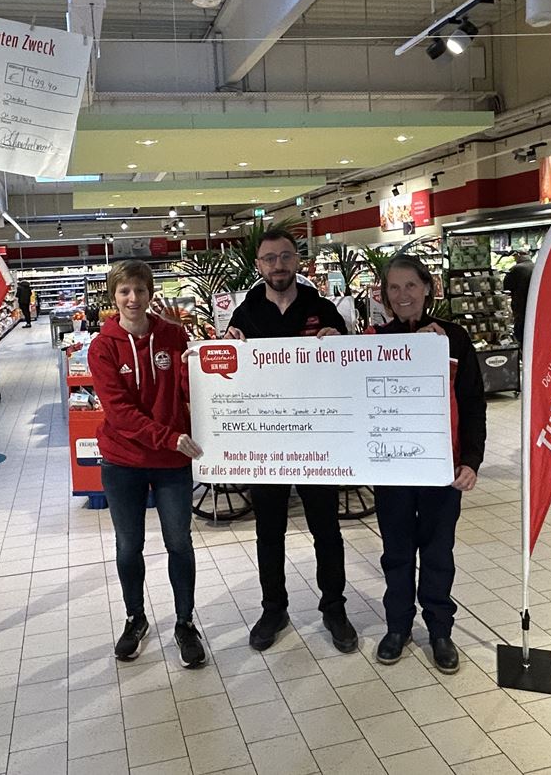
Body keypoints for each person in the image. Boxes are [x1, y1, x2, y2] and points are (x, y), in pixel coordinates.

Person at [224, 227, 358, 654]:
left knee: (326, 529)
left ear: (297, 261)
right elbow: (229, 373)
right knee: (269, 531)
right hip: (268, 446)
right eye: (269, 259)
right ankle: (273, 608)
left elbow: (349, 368)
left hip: (318, 443)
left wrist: (340, 344)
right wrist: (229, 347)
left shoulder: (324, 309)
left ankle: (334, 607)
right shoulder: (244, 313)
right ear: (258, 265)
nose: (278, 266)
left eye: (285, 257)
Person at [368, 255, 486, 673]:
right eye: (394, 288)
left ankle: (440, 630)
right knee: (396, 553)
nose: (403, 295)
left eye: (410, 286)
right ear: (384, 295)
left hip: (442, 470)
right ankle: (397, 627)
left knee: (438, 552)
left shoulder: (453, 338)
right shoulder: (374, 342)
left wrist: (471, 460)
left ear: (427, 288)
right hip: (393, 471)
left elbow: (473, 403)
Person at [88, 259, 207, 668]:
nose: (133, 298)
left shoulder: (173, 335)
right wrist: (169, 436)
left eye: (140, 290)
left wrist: (197, 359)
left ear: (150, 292)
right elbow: (119, 412)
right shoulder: (102, 347)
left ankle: (185, 622)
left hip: (171, 461)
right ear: (114, 296)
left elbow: (188, 389)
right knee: (128, 546)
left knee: (179, 543)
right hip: (123, 461)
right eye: (125, 291)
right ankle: (135, 618)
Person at [502, 251, 533, 345]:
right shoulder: (536, 267)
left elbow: (506, 285)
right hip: (535, 304)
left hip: (520, 304)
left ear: (519, 256)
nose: (514, 259)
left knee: (520, 329)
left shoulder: (516, 269)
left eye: (515, 257)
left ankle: (520, 348)